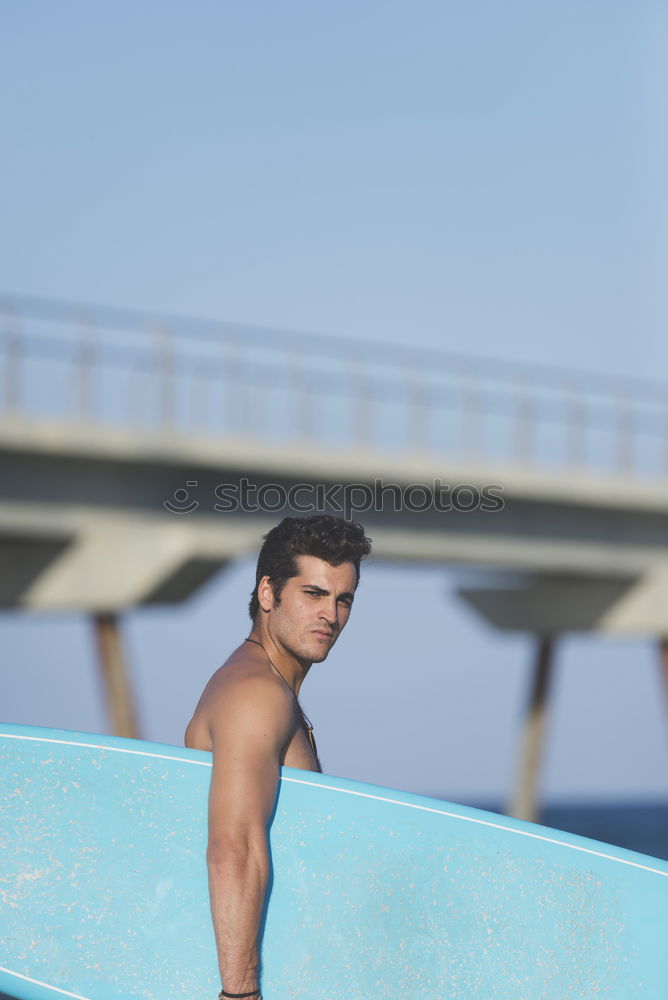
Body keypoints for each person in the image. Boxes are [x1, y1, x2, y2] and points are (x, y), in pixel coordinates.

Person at [184, 514, 372, 1000]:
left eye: (343, 598)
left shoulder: (269, 687)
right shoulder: (256, 694)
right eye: (313, 594)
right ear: (268, 593)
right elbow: (234, 846)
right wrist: (240, 994)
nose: (331, 614)